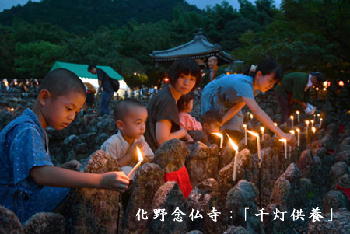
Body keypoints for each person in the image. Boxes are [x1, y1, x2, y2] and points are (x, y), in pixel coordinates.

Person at [0, 68, 129, 222]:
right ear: (44, 97)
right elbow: (41, 174)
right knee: (82, 188)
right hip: (15, 208)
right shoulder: (27, 129)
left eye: (76, 111)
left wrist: (60, 170)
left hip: (19, 202)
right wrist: (100, 180)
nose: (72, 117)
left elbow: (31, 173)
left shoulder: (32, 127)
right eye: (69, 108)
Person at [201, 58, 295, 143]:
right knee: (212, 128)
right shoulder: (245, 84)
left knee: (234, 129)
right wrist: (281, 133)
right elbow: (256, 111)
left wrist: (222, 122)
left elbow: (238, 107)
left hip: (230, 101)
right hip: (213, 95)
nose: (271, 86)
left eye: (274, 83)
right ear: (259, 74)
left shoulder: (255, 88)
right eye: (270, 81)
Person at [145, 58, 201, 151]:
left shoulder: (168, 94)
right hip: (155, 154)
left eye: (192, 79)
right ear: (174, 76)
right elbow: (162, 140)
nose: (186, 83)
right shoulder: (167, 100)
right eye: (182, 77)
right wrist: (183, 132)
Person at [100, 99, 154, 176]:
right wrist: (129, 155)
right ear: (121, 125)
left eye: (144, 122)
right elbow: (109, 169)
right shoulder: (112, 143)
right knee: (126, 170)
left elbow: (150, 157)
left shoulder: (140, 139)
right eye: (138, 123)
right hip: (112, 179)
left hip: (134, 175)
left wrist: (145, 159)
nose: (143, 127)